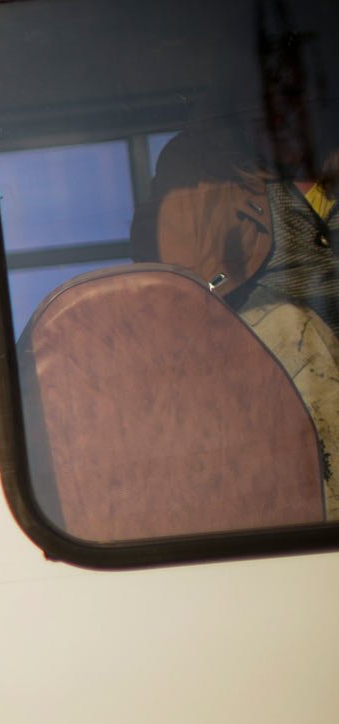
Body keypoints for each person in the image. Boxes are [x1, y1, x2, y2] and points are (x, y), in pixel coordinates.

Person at [131, 92, 339, 516]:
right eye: (269, 101)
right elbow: (175, 278)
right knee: (287, 327)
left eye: (303, 98)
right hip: (282, 369)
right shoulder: (207, 179)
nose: (286, 117)